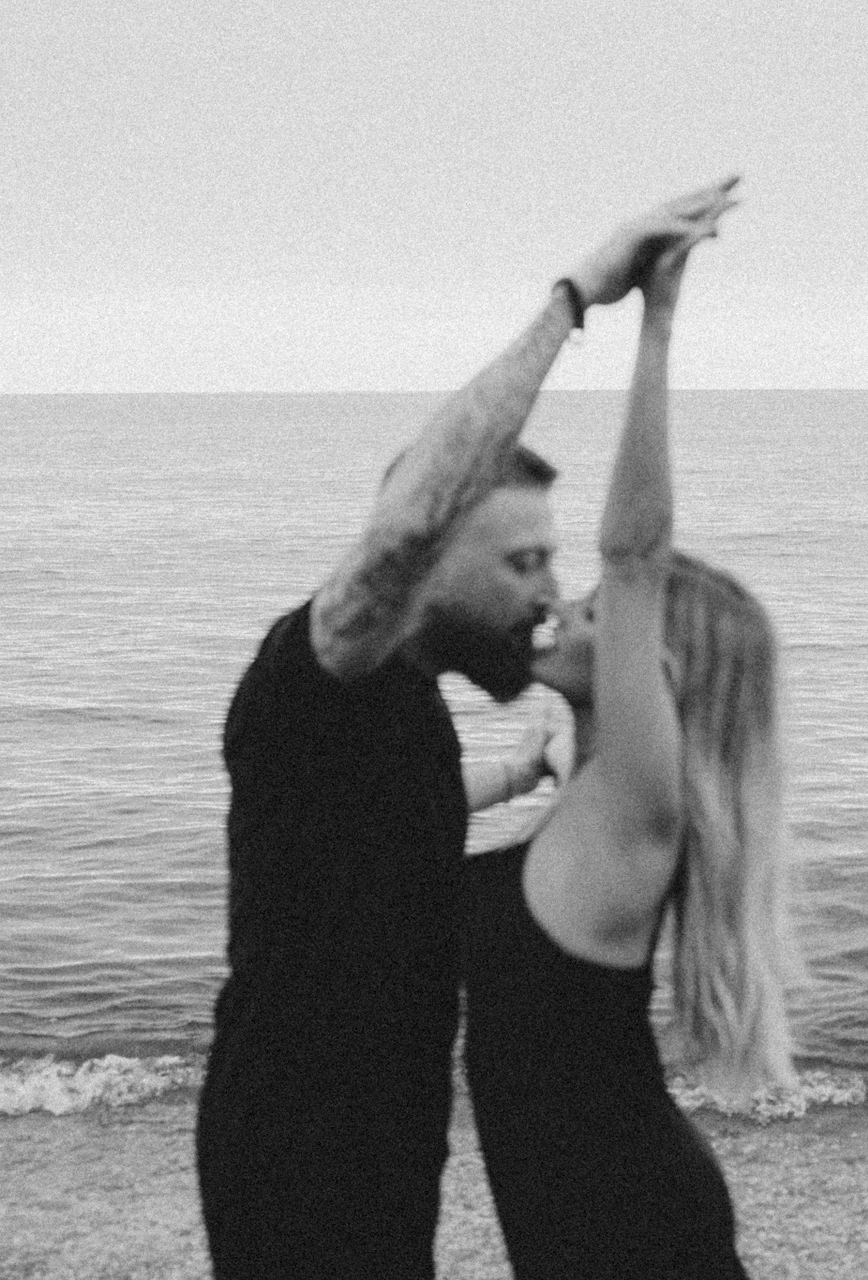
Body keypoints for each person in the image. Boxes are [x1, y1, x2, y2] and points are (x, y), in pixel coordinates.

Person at [196, 180, 746, 1280]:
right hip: (298, 1161)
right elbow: (408, 521)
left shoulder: (404, 707)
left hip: (385, 1161)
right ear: (425, 567)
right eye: (524, 563)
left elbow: (385, 835)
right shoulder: (322, 672)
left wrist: (515, 774)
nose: (549, 596)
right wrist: (576, 298)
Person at [461, 183, 798, 1279]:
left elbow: (634, 552)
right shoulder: (583, 801)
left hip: (637, 1229)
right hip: (584, 1228)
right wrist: (512, 772)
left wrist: (654, 319)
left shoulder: (633, 810)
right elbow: (403, 827)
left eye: (598, 614)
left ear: (657, 672)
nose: (562, 609)